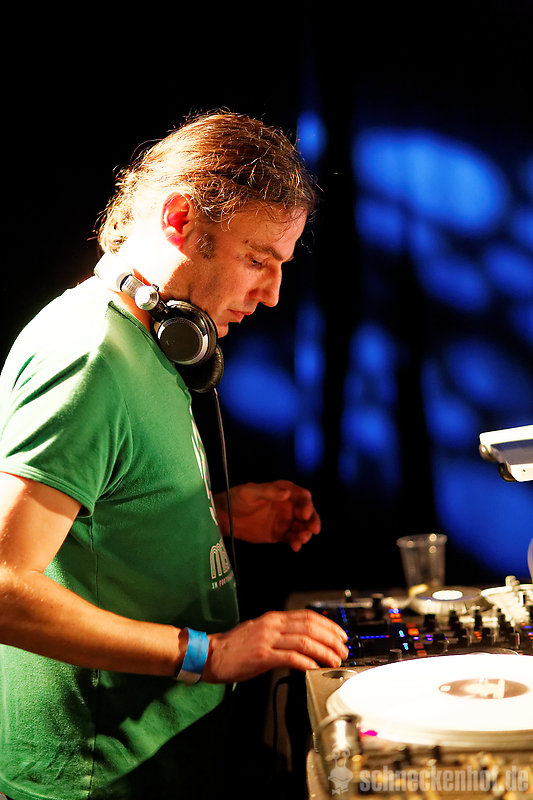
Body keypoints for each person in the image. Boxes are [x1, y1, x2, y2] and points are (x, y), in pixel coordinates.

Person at [0, 111, 348, 800]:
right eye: (259, 260)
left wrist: (211, 514)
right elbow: (5, 585)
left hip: (162, 762)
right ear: (182, 219)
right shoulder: (87, 358)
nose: (272, 294)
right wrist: (210, 654)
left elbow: (96, 526)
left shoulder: (146, 344)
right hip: (99, 778)